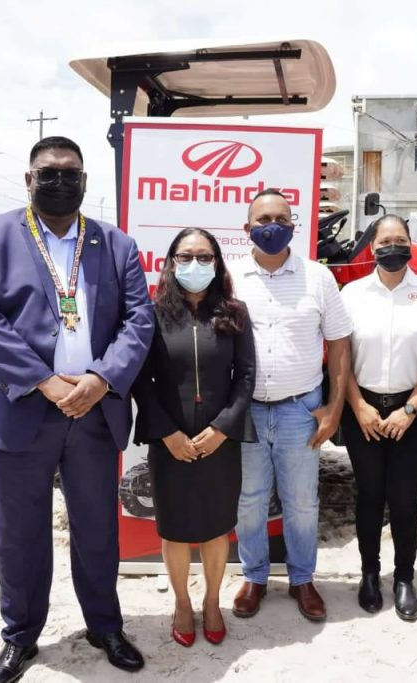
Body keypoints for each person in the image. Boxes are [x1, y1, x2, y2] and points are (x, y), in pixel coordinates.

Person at [0, 136, 154, 681]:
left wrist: (101, 379)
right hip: (20, 409)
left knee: (97, 529)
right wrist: (43, 381)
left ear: (86, 181)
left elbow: (139, 321)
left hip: (93, 412)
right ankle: (20, 637)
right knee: (19, 533)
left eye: (71, 173)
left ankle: (105, 627)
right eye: (49, 172)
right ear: (29, 179)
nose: (60, 181)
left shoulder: (116, 245)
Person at [229, 188, 353, 622]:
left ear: (294, 227)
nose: (272, 227)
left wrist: (334, 408)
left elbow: (338, 344)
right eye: (262, 220)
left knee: (302, 501)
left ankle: (302, 579)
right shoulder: (229, 277)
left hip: (301, 410)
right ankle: (255, 577)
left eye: (281, 219)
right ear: (247, 230)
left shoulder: (318, 277)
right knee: (249, 500)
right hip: (246, 413)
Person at [132, 228, 256, 647]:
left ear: (218, 264)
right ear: (170, 263)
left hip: (220, 442)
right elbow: (141, 381)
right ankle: (183, 602)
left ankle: (211, 601)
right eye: (185, 257)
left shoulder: (235, 313)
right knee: (176, 529)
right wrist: (167, 434)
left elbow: (247, 377)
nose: (195, 265)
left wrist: (223, 429)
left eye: (205, 257)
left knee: (217, 528)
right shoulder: (152, 315)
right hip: (171, 443)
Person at [339, 214, 417, 621]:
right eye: (384, 241)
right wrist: (358, 406)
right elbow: (340, 357)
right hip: (362, 411)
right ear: (372, 248)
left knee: (403, 499)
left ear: (411, 244)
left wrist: (410, 409)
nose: (392, 248)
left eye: (400, 240)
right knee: (369, 496)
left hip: (414, 413)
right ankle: (369, 574)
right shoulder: (351, 294)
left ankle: (403, 578)